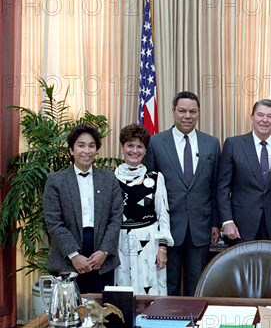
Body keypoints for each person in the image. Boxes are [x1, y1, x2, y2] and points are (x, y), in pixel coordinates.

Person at [144, 91, 221, 296]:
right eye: (182, 111)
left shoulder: (211, 143)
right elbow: (149, 188)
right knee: (167, 284)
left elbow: (215, 187)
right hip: (167, 227)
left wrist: (215, 222)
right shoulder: (156, 142)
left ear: (198, 113)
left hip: (201, 227)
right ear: (173, 112)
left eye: (192, 112)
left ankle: (194, 324)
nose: (188, 116)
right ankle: (167, 324)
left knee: (197, 285)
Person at [44, 123, 123, 294]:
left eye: (91, 146)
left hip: (102, 256)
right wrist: (74, 255)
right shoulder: (56, 181)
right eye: (81, 145)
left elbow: (116, 218)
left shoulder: (109, 179)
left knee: (102, 311)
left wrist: (104, 251)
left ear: (96, 150)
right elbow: (54, 222)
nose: (86, 151)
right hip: (68, 256)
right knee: (71, 312)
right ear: (71, 150)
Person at [218, 99, 271, 244]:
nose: (264, 120)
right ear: (252, 117)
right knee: (243, 267)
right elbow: (222, 188)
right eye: (260, 115)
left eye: (270, 116)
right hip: (240, 227)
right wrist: (227, 221)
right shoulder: (234, 144)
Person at [114, 124, 174, 295]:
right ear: (122, 148)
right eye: (130, 145)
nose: (134, 150)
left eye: (139, 146)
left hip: (150, 243)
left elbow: (163, 215)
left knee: (151, 294)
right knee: (123, 295)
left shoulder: (155, 179)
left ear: (145, 151)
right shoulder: (111, 179)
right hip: (120, 244)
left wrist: (162, 249)